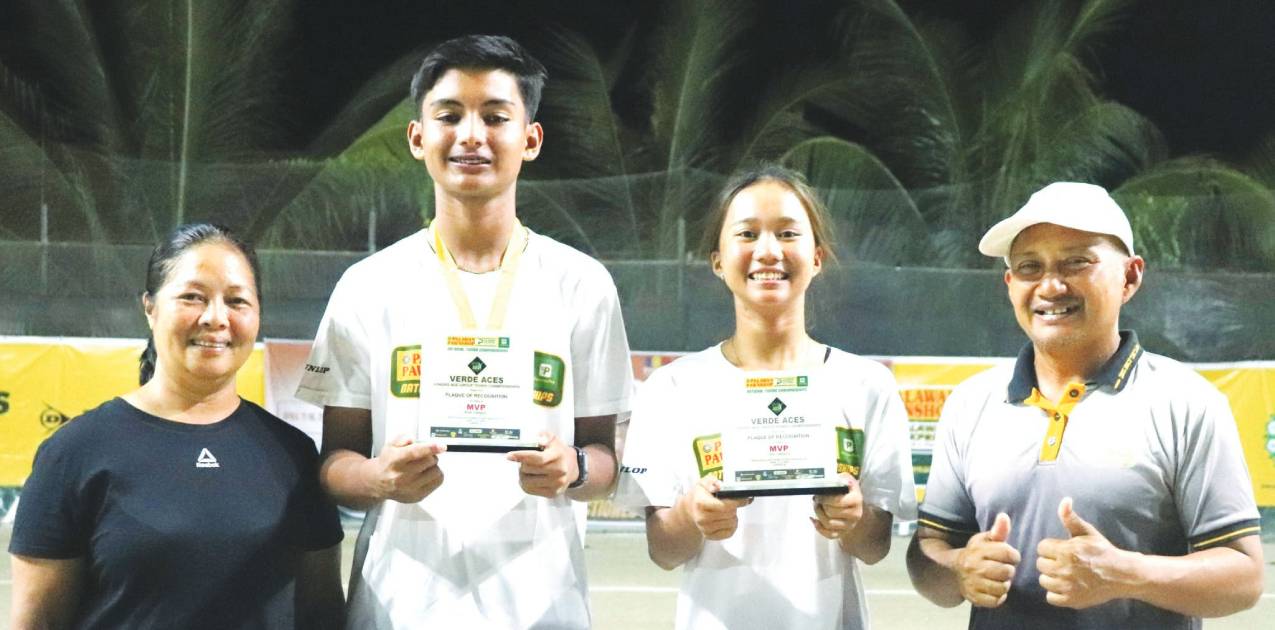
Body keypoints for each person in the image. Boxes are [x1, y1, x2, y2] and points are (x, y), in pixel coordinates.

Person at [296, 34, 633, 629]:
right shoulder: (367, 284)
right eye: (449, 115)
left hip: (543, 607)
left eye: (495, 116)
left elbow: (604, 456)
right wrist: (377, 477)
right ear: (417, 136)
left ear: (530, 139)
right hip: (399, 607)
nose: (471, 134)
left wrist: (572, 468)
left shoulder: (584, 284)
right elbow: (335, 462)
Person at [907, 182, 1265, 629]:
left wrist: (1125, 574)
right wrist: (960, 571)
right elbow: (929, 558)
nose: (1051, 285)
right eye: (1029, 267)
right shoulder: (971, 402)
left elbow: (1244, 576)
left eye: (1077, 262)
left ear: (1130, 277)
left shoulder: (1186, 401)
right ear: (1010, 284)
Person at [615, 165, 918, 630]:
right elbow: (663, 550)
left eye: (787, 233)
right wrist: (693, 515)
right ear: (718, 260)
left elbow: (875, 547)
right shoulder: (673, 388)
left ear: (817, 257)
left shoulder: (865, 386)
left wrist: (852, 519)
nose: (768, 251)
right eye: (748, 233)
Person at [8, 223, 345, 629]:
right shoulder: (75, 453)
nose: (215, 318)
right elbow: (36, 623)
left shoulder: (293, 454)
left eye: (237, 301)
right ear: (150, 307)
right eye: (192, 297)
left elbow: (322, 613)